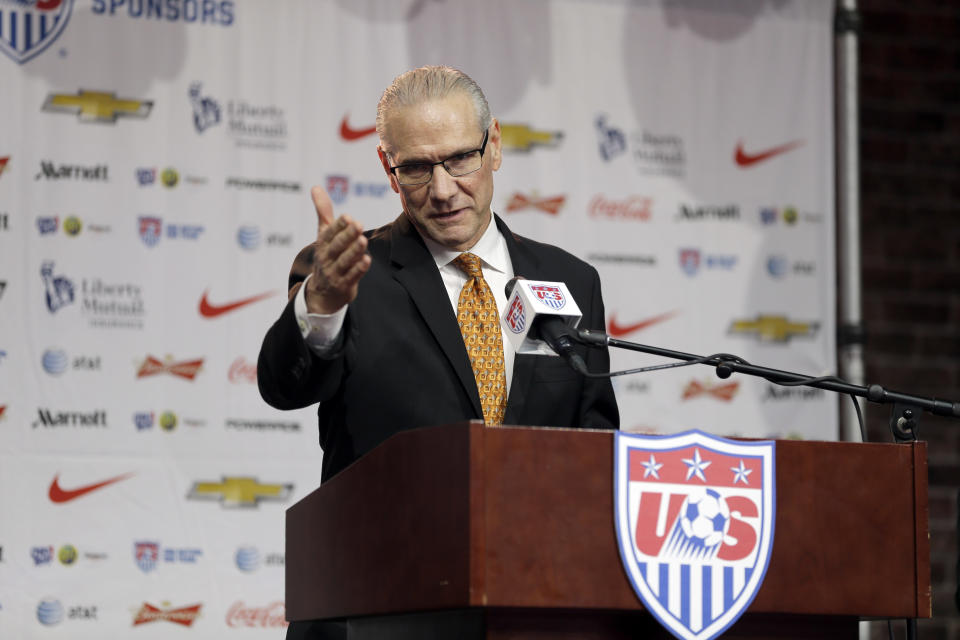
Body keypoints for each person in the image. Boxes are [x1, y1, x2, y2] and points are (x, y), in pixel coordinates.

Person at [257, 66, 619, 484]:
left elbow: (598, 448)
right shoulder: (346, 279)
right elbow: (284, 388)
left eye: (462, 158)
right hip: (391, 543)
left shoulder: (572, 280)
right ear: (388, 167)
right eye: (415, 168)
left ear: (495, 145)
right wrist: (319, 306)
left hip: (532, 544)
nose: (443, 190)